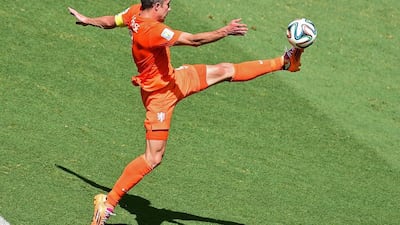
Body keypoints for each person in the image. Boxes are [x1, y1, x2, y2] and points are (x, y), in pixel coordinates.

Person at [68, 1, 304, 224]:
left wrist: (89, 19)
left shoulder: (136, 12)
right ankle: (107, 203)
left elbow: (113, 20)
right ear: (157, 5)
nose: (170, 8)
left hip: (175, 80)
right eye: (168, 4)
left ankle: (285, 62)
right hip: (159, 98)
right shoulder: (153, 31)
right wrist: (225, 31)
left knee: (223, 70)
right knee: (153, 158)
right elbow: (193, 40)